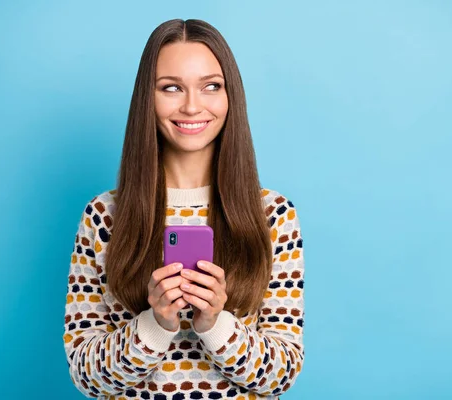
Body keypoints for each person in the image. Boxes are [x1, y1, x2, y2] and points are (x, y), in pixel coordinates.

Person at [63, 19, 304, 400]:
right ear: (148, 98)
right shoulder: (104, 214)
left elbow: (282, 375)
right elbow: (85, 376)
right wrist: (155, 324)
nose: (192, 106)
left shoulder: (272, 214)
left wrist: (215, 324)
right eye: (171, 88)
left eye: (211, 86)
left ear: (230, 97)